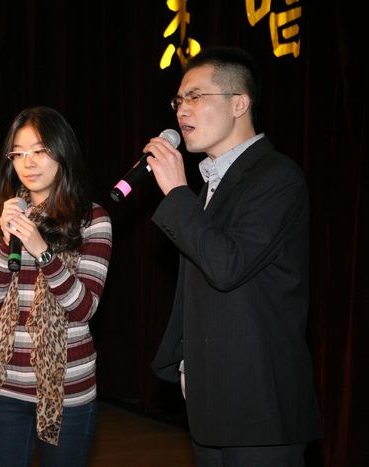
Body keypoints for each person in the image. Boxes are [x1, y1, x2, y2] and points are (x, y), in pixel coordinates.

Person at [145, 46, 321, 466]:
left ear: (239, 104)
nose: (182, 110)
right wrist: (186, 363)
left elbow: (228, 266)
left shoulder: (277, 176)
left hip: (260, 405)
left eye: (195, 97)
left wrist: (177, 193)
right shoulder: (208, 186)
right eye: (178, 100)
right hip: (211, 398)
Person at [0, 106, 112, 467]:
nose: (28, 162)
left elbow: (83, 308)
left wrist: (43, 252)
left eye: (39, 151)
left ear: (62, 152)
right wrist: (6, 242)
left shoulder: (92, 219)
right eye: (19, 153)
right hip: (5, 388)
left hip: (67, 390)